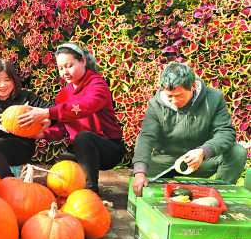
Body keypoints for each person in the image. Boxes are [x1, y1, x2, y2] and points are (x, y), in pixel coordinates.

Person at [18, 42, 125, 194]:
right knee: (63, 164)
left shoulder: (97, 84)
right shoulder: (64, 94)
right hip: (82, 150)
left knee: (83, 137)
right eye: (61, 68)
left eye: (69, 65)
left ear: (83, 61)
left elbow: (85, 106)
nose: (65, 72)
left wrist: (47, 112)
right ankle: (69, 195)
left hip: (108, 149)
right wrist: (41, 134)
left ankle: (90, 192)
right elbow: (63, 126)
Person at [131, 62, 246, 196]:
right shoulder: (156, 104)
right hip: (168, 162)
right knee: (141, 164)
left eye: (179, 96)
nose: (173, 101)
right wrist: (139, 172)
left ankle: (219, 195)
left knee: (237, 152)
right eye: (169, 96)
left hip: (202, 160)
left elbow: (226, 132)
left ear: (192, 87)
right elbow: (146, 137)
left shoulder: (214, 98)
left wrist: (203, 151)